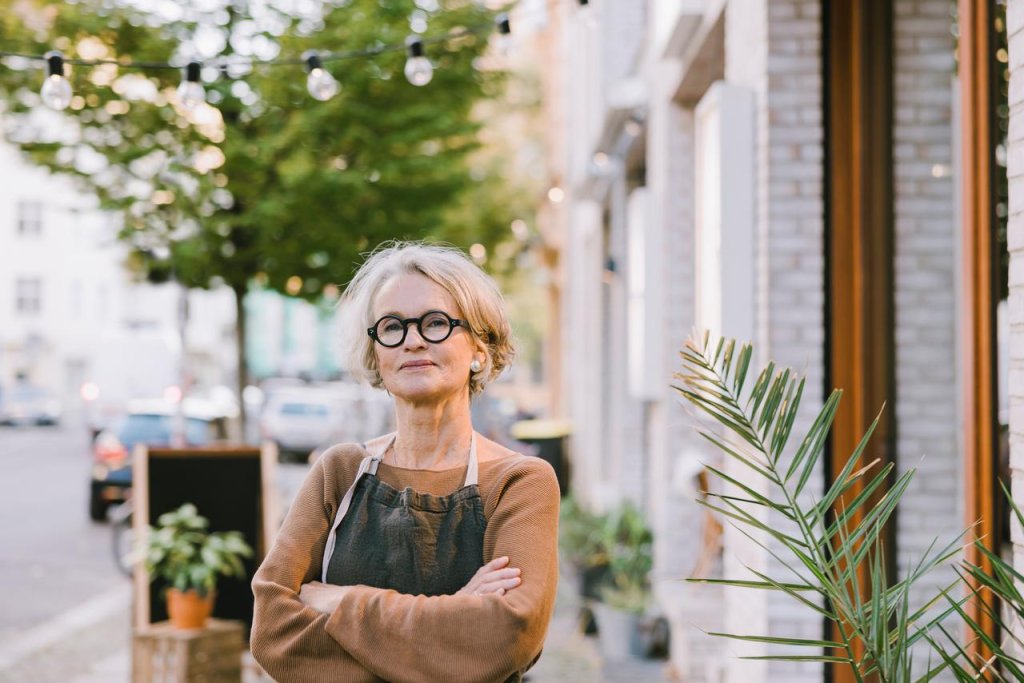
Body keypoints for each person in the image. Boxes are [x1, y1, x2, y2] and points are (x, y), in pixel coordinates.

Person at [250, 242, 560, 683]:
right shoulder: (339, 473)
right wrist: (456, 617)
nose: (412, 339)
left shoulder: (519, 481)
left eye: (435, 323)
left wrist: (341, 601)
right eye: (392, 326)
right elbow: (273, 634)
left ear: (479, 347)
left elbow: (507, 634)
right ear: (377, 353)